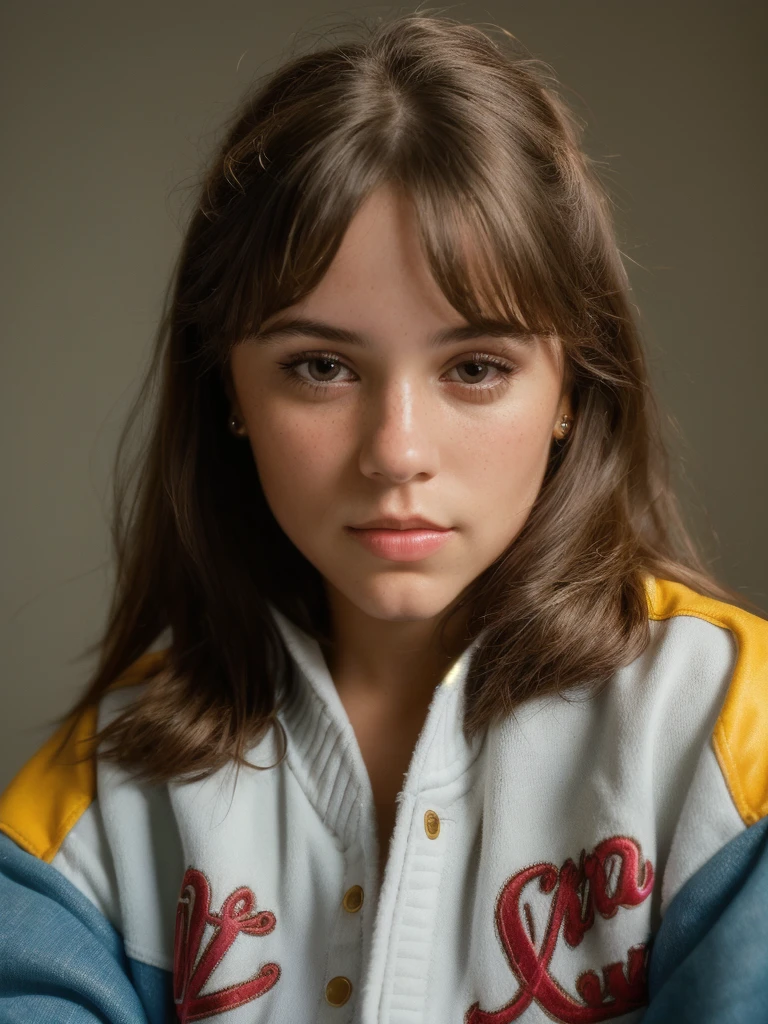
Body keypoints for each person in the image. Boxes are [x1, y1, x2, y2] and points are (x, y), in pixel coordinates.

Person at [1, 11, 766, 1024]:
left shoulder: (728, 732)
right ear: (227, 387)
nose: (396, 449)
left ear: (571, 386)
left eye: (476, 368)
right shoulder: (92, 802)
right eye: (320, 367)